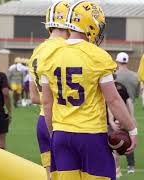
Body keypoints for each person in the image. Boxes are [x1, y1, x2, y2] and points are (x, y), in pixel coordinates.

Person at [37, 1, 137, 179]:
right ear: (90, 24)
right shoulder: (97, 56)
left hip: (61, 134)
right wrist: (131, 128)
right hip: (90, 135)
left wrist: (54, 133)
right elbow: (113, 100)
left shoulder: (48, 55)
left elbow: (46, 102)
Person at [27, 1, 71, 179]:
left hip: (42, 121)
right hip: (62, 122)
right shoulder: (65, 49)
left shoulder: (36, 51)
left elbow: (34, 97)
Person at [114, 52, 139, 173]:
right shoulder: (135, 76)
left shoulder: (114, 75)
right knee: (130, 137)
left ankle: (116, 167)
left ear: (117, 61)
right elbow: (137, 94)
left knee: (114, 137)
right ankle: (131, 166)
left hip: (116, 109)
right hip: (131, 108)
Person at [107, 75, 133, 178]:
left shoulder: (107, 86)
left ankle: (116, 169)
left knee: (112, 145)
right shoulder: (121, 86)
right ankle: (130, 166)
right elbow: (129, 102)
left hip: (113, 120)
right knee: (127, 142)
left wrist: (111, 120)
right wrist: (129, 117)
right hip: (123, 118)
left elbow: (110, 103)